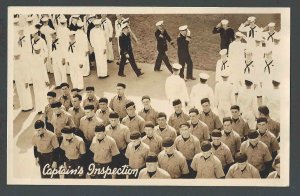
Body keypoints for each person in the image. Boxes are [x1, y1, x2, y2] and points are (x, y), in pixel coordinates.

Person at [105, 112, 131, 177]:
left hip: (121, 153)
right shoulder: (106, 129)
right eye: (111, 120)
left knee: (121, 173)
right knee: (110, 173)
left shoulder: (125, 129)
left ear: (118, 119)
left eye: (115, 120)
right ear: (109, 120)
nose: (113, 122)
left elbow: (129, 143)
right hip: (110, 154)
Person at [13, 27, 33, 112]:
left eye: (17, 56)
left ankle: (28, 106)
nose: (16, 57)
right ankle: (24, 106)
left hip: (23, 79)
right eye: (15, 56)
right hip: (18, 80)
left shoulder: (22, 62)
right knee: (20, 93)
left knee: (26, 92)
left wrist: (26, 81)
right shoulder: (14, 63)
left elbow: (26, 71)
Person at [79, 105, 103, 172]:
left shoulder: (99, 122)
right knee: (84, 159)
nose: (87, 114)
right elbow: (81, 131)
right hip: (84, 143)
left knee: (92, 160)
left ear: (93, 111)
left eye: (88, 112)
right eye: (85, 112)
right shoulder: (82, 120)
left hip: (94, 143)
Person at [30, 32, 50, 114]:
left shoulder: (33, 58)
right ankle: (41, 108)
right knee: (40, 93)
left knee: (39, 93)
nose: (38, 51)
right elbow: (43, 71)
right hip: (39, 78)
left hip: (37, 78)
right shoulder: (38, 59)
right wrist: (46, 80)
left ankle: (41, 108)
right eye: (37, 50)